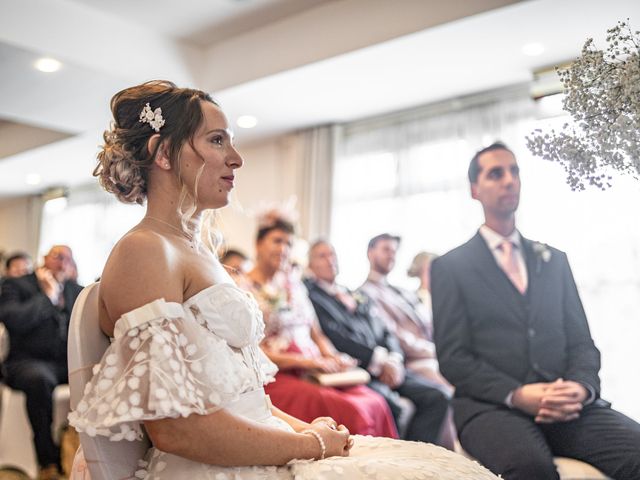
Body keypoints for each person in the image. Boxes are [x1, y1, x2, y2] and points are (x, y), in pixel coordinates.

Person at [68, 80, 499, 480]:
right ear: (163, 153)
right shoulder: (145, 249)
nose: (236, 158)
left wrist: (306, 431)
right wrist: (309, 445)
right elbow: (178, 430)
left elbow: (247, 401)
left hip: (248, 443)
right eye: (217, 141)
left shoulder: (196, 252)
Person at [431, 142, 640, 480]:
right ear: (474, 190)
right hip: (492, 409)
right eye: (495, 173)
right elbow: (453, 358)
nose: (509, 180)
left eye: (514, 171)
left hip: (567, 407)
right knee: (532, 469)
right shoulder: (450, 267)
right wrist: (516, 394)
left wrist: (581, 387)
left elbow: (582, 343)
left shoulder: (554, 260)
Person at [240, 216, 398, 438]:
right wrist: (305, 361)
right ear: (258, 244)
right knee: (351, 410)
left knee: (375, 401)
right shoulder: (242, 288)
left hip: (315, 368)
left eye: (289, 244)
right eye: (277, 241)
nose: (284, 249)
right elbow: (250, 349)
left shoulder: (296, 286)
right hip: (278, 373)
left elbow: (317, 333)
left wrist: (333, 357)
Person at [305, 239, 450, 444]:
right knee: (392, 407)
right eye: (322, 256)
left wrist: (394, 358)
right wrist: (378, 359)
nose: (330, 260)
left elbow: (385, 329)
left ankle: (417, 459)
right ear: (310, 264)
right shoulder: (311, 296)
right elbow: (336, 337)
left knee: (438, 397)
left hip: (389, 364)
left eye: (333, 255)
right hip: (360, 370)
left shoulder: (353, 292)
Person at [0, 245, 83, 480]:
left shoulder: (76, 290)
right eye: (57, 256)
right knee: (39, 380)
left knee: (98, 374)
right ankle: (47, 461)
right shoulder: (16, 284)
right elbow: (14, 319)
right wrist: (47, 297)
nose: (62, 262)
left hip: (63, 364)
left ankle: (81, 452)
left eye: (68, 258)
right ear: (44, 259)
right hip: (26, 362)